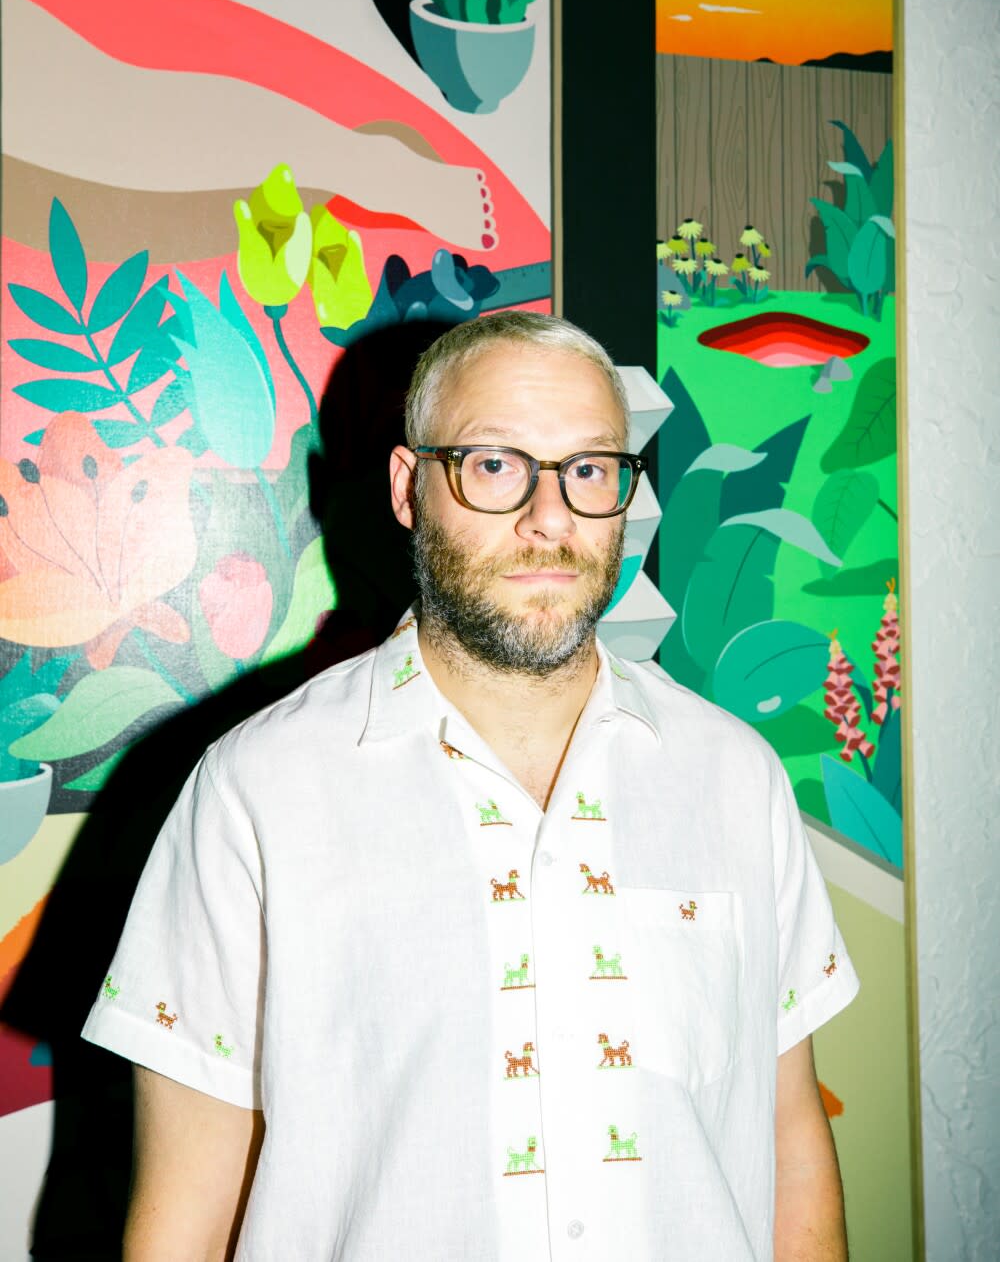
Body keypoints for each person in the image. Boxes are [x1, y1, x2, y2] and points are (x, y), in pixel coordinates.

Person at [83, 311, 859, 1261]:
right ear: (410, 488)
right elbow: (187, 1216)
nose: (549, 518)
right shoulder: (258, 793)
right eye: (495, 464)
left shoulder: (736, 776)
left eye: (589, 470)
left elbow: (790, 1141)